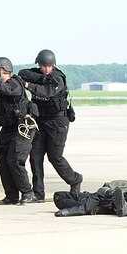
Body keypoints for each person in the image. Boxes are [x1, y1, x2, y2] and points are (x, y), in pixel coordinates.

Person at [18, 49, 83, 201]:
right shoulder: (39, 74)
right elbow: (22, 72)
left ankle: (75, 179)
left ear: (54, 65)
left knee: (55, 157)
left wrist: (29, 85)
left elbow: (46, 92)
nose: (46, 69)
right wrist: (41, 78)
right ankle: (38, 193)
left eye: (49, 66)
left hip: (58, 121)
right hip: (41, 120)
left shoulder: (58, 78)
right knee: (35, 156)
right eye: (43, 66)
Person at [0, 57, 37, 205]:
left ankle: (28, 192)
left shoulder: (14, 83)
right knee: (1, 160)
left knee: (15, 160)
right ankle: (11, 195)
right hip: (8, 128)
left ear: (4, 70)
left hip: (22, 127)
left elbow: (8, 90)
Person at [54, 180, 127, 217]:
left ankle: (125, 208)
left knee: (95, 199)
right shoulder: (119, 186)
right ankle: (124, 208)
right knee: (58, 196)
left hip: (109, 198)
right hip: (104, 199)